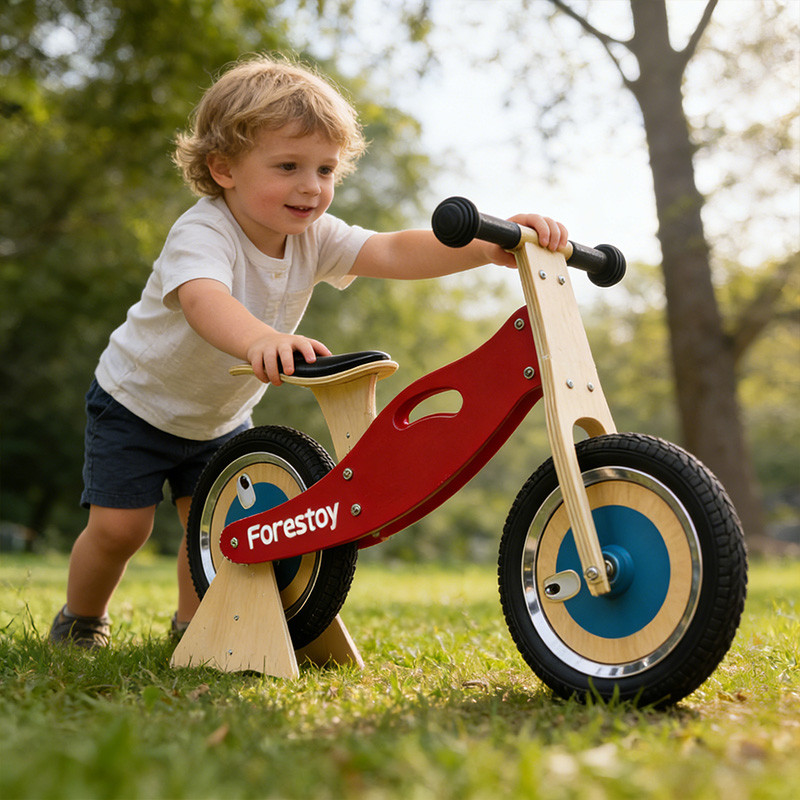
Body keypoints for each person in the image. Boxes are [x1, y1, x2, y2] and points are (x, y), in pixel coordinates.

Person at [50, 54, 568, 648]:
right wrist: (260, 339)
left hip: (219, 417)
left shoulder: (312, 236)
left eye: (325, 169)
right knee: (120, 530)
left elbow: (394, 252)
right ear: (223, 169)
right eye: (288, 166)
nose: (310, 187)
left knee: (215, 527)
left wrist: (484, 246)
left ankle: (195, 626)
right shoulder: (204, 231)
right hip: (136, 403)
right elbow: (202, 299)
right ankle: (82, 619)